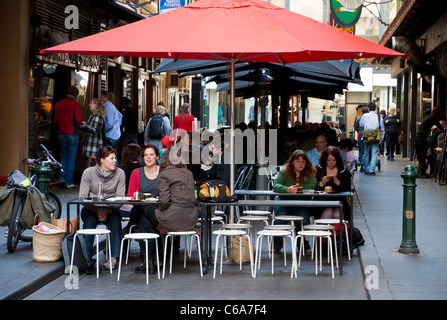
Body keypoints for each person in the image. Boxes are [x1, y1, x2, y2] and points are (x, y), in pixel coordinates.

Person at [135, 148, 198, 274]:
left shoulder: (164, 174)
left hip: (174, 219)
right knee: (145, 222)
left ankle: (149, 261)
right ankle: (154, 259)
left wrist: (163, 209)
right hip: (191, 219)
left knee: (146, 214)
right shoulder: (188, 173)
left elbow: (164, 201)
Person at [78, 147, 126, 270]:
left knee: (115, 220)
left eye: (115, 158)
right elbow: (83, 197)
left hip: (112, 208)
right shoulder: (88, 172)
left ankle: (113, 258)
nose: (115, 161)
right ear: (102, 160)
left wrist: (108, 210)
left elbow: (121, 197)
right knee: (89, 222)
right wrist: (97, 210)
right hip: (91, 208)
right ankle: (86, 258)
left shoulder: (120, 173)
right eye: (112, 158)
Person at [272, 149, 317, 252]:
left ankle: (303, 245)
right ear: (292, 162)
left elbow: (312, 185)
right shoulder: (284, 171)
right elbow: (276, 185)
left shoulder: (310, 173)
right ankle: (276, 245)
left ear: (306, 163)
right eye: (298, 161)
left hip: (302, 202)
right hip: (285, 201)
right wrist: (288, 189)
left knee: (302, 220)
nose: (300, 164)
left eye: (303, 161)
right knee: (279, 219)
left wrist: (297, 189)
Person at [127, 145, 161, 264]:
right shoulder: (136, 173)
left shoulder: (163, 172)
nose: (148, 157)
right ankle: (156, 255)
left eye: (151, 154)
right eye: (146, 155)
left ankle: (146, 258)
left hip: (159, 210)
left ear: (157, 156)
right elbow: (130, 195)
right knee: (143, 219)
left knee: (145, 222)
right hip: (139, 209)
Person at [53, 85, 83, 189]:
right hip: (72, 134)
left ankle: (61, 178)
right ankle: (68, 181)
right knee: (71, 159)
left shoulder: (58, 104)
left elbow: (56, 120)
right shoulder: (75, 104)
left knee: (63, 157)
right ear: (76, 95)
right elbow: (79, 119)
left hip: (61, 133)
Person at [315, 146, 351, 219]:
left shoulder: (343, 171)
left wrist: (338, 183)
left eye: (334, 160)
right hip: (323, 201)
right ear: (325, 160)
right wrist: (322, 183)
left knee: (337, 214)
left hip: (339, 201)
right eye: (329, 160)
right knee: (329, 212)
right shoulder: (319, 170)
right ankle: (325, 229)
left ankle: (339, 230)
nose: (331, 162)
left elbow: (348, 189)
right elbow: (314, 188)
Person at [415, 106, 444, 178]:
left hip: (419, 138)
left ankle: (422, 172)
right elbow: (441, 128)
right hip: (422, 138)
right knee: (422, 155)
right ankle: (420, 172)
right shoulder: (433, 119)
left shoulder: (428, 117)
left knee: (422, 155)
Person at [359, 102, 384, 175]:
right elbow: (382, 128)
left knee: (366, 153)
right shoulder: (378, 117)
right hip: (376, 136)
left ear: (368, 108)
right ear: (375, 108)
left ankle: (366, 169)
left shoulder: (364, 116)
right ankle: (371, 170)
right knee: (374, 153)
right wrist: (381, 139)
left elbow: (361, 124)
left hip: (367, 136)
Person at [80, 98, 106, 167]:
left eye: (91, 103)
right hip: (91, 146)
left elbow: (96, 131)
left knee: (91, 166)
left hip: (93, 146)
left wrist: (86, 126)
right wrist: (84, 127)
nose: (89, 105)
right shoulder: (93, 116)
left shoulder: (97, 116)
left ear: (95, 105)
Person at [117, 97, 138, 162]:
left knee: (120, 145)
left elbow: (124, 123)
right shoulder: (132, 110)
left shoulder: (125, 111)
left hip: (128, 132)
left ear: (123, 103)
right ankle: (137, 160)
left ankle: (120, 159)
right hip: (134, 132)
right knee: (135, 148)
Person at [354, 104, 368, 170]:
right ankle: (366, 164)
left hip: (361, 135)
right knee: (366, 150)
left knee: (361, 150)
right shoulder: (369, 119)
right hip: (367, 135)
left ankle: (362, 163)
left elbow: (356, 127)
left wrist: (360, 131)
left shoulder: (358, 119)